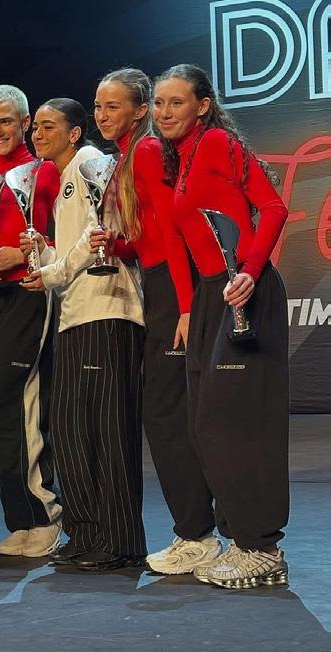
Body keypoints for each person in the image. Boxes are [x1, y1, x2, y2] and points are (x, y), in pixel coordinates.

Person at [152, 64, 289, 589]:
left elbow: (272, 208)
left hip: (244, 290)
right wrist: (190, 310)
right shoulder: (181, 157)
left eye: (176, 102)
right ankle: (239, 541)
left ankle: (261, 548)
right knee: (204, 424)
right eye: (159, 103)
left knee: (236, 423)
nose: (164, 112)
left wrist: (250, 272)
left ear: (203, 106)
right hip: (211, 295)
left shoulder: (215, 144)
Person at [87, 69, 219, 575]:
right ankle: (196, 530)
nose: (102, 116)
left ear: (139, 111)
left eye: (113, 106)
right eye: (98, 106)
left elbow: (173, 226)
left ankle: (196, 534)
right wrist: (117, 245)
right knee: (168, 413)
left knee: (165, 414)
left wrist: (185, 305)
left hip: (174, 285)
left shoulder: (144, 150)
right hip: (160, 282)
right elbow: (146, 234)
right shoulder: (127, 156)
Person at [21, 90, 145, 571]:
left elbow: (99, 241)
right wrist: (43, 249)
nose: (37, 134)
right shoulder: (67, 178)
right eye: (36, 127)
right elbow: (75, 249)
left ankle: (120, 541)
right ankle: (87, 532)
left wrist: (52, 270)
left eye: (48, 126)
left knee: (107, 434)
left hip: (108, 312)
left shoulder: (94, 165)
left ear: (74, 133)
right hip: (75, 314)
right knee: (73, 431)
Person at [0, 85, 63, 557]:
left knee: (8, 401)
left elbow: (67, 234)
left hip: (29, 292)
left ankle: (45, 513)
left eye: (6, 121)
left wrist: (24, 254)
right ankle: (21, 518)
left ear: (25, 122)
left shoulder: (47, 170)